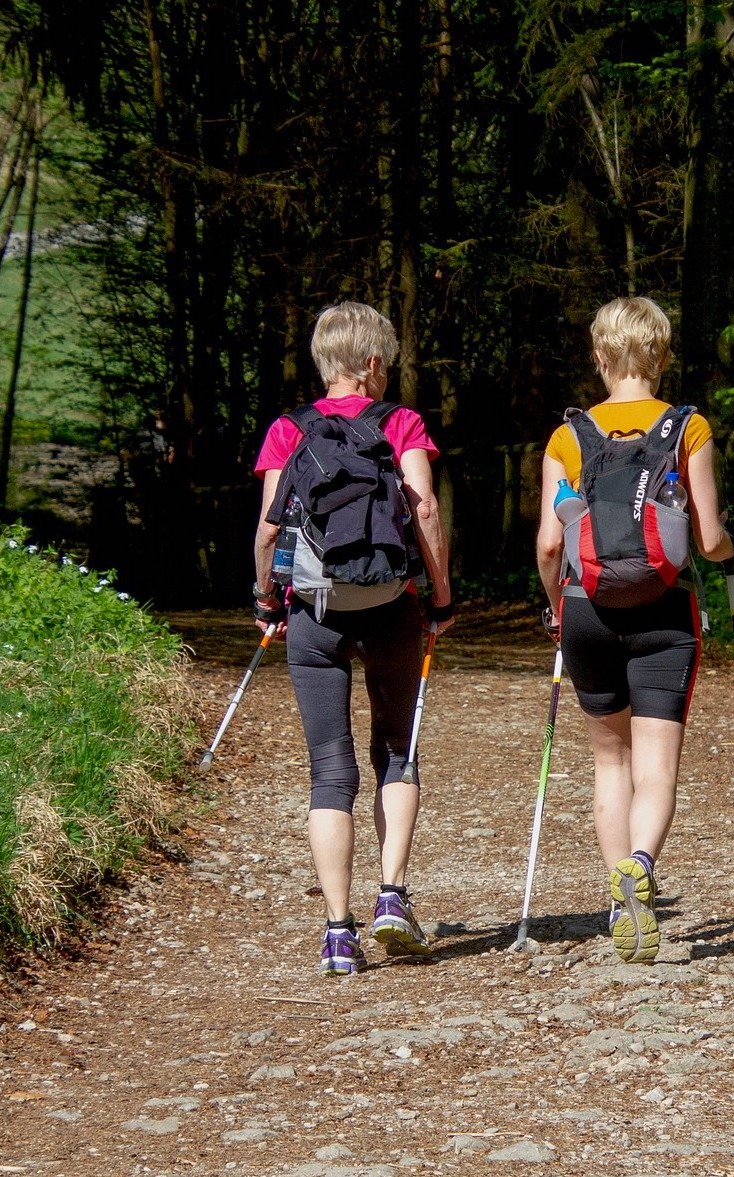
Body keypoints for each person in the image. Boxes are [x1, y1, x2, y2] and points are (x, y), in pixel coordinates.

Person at [535, 295, 734, 964]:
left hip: (584, 607)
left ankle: (619, 895)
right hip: (662, 609)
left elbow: (547, 543)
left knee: (608, 759)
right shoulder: (687, 427)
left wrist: (553, 609)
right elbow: (707, 539)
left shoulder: (567, 437)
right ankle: (642, 862)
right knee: (656, 766)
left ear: (598, 358)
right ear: (661, 356)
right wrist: (733, 550)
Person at [252, 301, 454, 977]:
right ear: (373, 363)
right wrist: (441, 594)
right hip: (390, 603)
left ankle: (338, 932)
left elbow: (270, 530)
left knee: (329, 769)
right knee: (396, 748)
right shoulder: (400, 424)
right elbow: (422, 510)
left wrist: (265, 598)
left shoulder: (289, 430)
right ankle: (391, 894)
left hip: (314, 611)